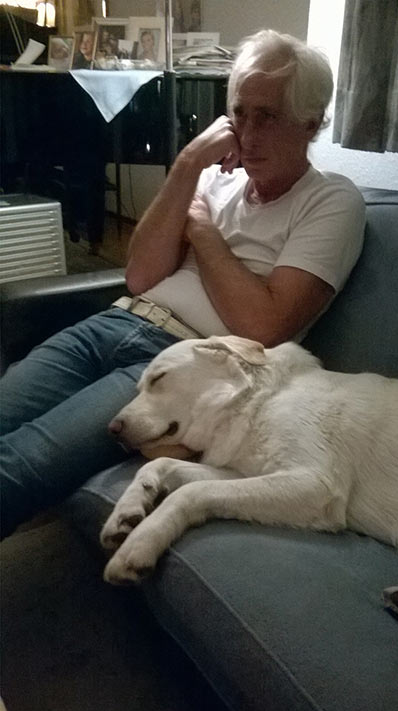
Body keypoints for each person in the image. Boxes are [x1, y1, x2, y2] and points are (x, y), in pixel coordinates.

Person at [0, 29, 366, 538]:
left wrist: (199, 227)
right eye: (239, 113)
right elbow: (140, 276)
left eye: (268, 116)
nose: (248, 134)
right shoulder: (214, 177)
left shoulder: (331, 201)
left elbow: (263, 325)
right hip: (115, 321)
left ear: (311, 122)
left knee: (19, 464)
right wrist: (189, 163)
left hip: (184, 362)